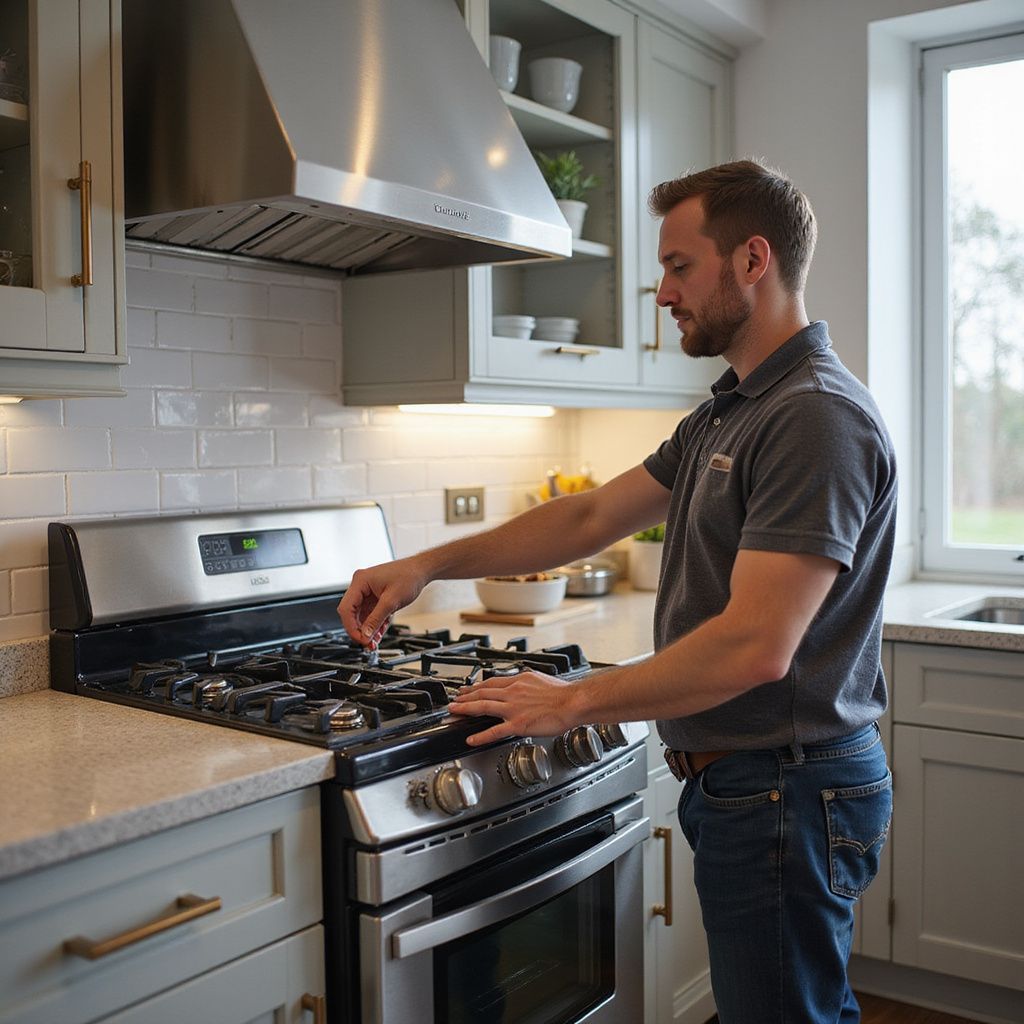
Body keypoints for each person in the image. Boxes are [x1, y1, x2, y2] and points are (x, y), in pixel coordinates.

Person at [338, 158, 897, 1024]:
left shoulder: (813, 415)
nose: (663, 294)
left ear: (754, 260)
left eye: (679, 267)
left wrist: (577, 700)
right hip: (749, 782)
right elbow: (590, 516)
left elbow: (757, 645)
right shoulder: (732, 410)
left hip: (785, 784)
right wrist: (423, 565)